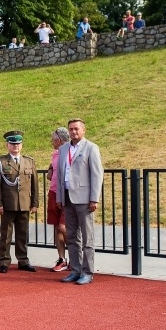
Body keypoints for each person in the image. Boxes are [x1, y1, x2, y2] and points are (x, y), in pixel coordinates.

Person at [57, 118, 104, 285]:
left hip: (85, 199)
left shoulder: (91, 148)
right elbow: (60, 174)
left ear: (83, 130)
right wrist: (59, 197)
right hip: (68, 197)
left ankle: (87, 272)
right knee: (71, 237)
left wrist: (94, 198)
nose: (73, 132)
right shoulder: (63, 149)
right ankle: (75, 270)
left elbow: (97, 174)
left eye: (76, 129)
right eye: (71, 129)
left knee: (87, 237)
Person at [0, 130, 38, 273]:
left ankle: (23, 260)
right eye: (12, 144)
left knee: (23, 234)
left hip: (24, 203)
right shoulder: (1, 162)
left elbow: (34, 184)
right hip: (8, 204)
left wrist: (35, 203)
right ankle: (4, 261)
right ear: (7, 145)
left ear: (21, 145)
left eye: (18, 143)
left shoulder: (29, 161)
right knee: (5, 234)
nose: (15, 146)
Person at [47, 128, 70, 272]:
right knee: (57, 227)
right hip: (54, 192)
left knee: (63, 227)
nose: (51, 142)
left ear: (58, 140)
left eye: (52, 139)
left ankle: (75, 256)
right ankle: (62, 259)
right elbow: (51, 173)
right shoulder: (55, 154)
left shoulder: (70, 153)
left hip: (66, 193)